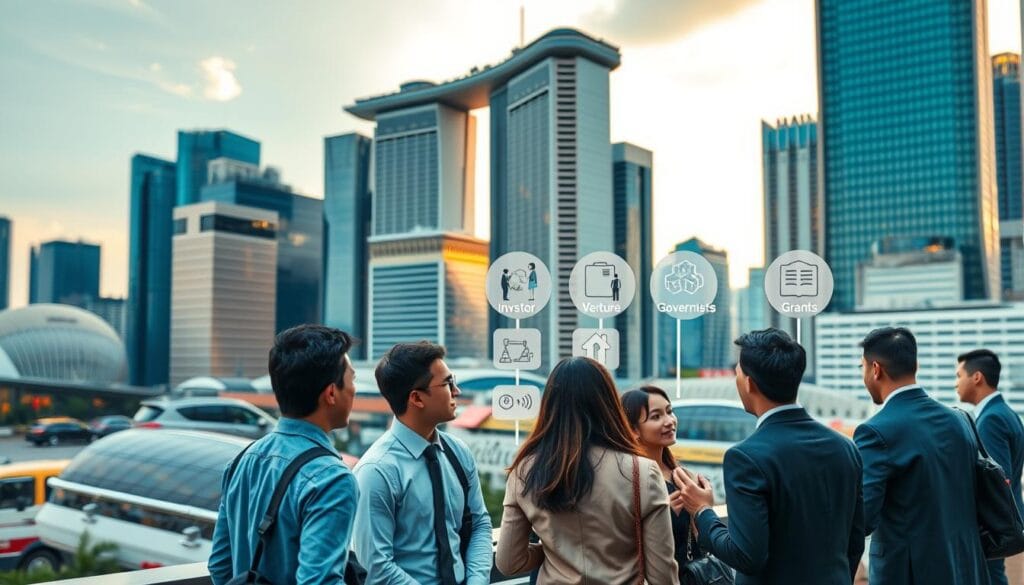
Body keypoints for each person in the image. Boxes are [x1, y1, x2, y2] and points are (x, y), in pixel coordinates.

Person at [676, 328, 864, 584]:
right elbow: (855, 542)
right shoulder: (845, 448)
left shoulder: (746, 457)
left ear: (749, 383)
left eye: (738, 375)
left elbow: (746, 555)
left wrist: (702, 510)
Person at [496, 357, 680, 584]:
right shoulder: (642, 472)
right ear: (609, 403)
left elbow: (508, 562)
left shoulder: (524, 471)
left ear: (550, 405)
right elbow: (662, 576)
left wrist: (555, 550)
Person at [208, 325, 359, 585]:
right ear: (331, 393)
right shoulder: (331, 479)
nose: (355, 389)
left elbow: (221, 567)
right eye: (352, 380)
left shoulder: (242, 460)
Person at [854, 327, 988, 584]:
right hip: (966, 567)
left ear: (875, 369)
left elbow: (863, 518)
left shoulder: (875, 431)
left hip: (910, 574)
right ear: (915, 365)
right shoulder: (960, 420)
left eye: (862, 367)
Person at [352, 341, 492, 584]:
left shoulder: (457, 452)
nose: (456, 391)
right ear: (416, 398)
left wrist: (476, 580)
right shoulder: (377, 471)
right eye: (448, 383)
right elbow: (376, 565)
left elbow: (479, 523)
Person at [955, 349, 1024, 585]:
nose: (956, 384)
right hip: (1003, 521)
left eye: (958, 375)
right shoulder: (1006, 413)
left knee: (989, 579)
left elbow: (996, 479)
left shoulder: (990, 419)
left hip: (992, 524)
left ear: (977, 377)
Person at [621, 386, 704, 582]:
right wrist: (660, 517)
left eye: (669, 411)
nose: (669, 421)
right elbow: (617, 544)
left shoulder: (682, 476)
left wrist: (702, 507)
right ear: (633, 430)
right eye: (656, 417)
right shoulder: (629, 479)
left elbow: (699, 540)